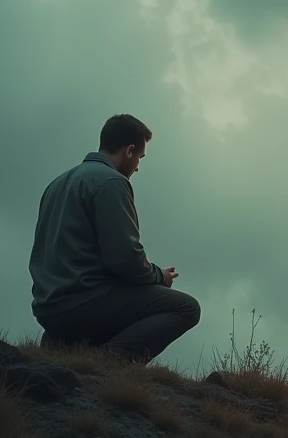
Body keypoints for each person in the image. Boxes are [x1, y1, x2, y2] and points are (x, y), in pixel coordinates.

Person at [29, 113, 200, 364]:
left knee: (125, 298)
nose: (138, 166)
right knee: (187, 308)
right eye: (140, 157)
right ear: (129, 151)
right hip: (83, 301)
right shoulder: (111, 182)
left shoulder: (57, 184)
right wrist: (159, 276)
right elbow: (124, 260)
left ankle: (65, 343)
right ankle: (108, 364)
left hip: (49, 308)